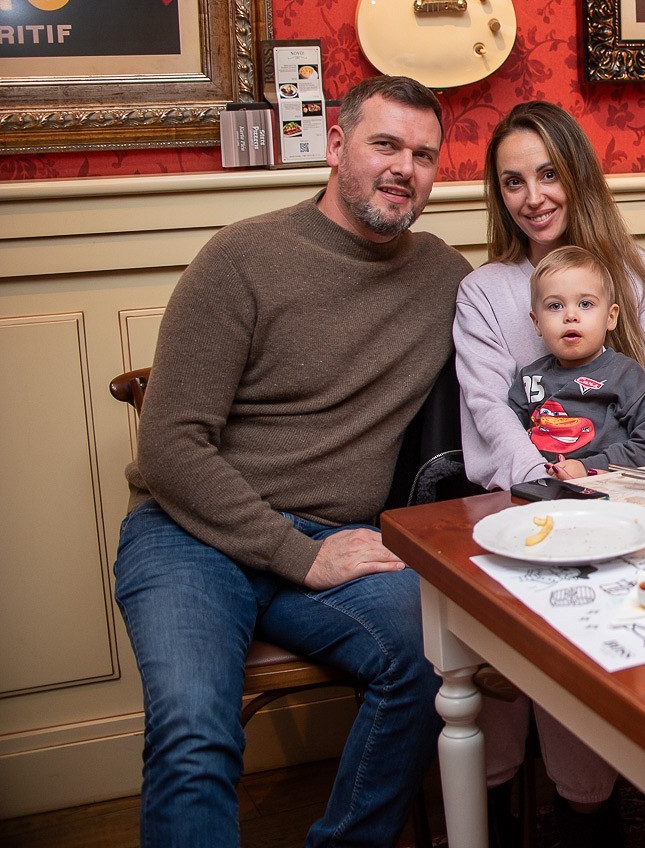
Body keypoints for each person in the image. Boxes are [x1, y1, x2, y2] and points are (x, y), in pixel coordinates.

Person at [112, 75, 472, 847]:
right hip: (190, 534)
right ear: (336, 146)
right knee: (193, 728)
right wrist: (297, 556)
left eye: (423, 155)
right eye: (385, 144)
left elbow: (536, 339)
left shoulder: (445, 277)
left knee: (432, 656)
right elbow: (170, 447)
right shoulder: (243, 257)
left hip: (335, 537)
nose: (405, 168)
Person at [453, 100, 645, 844]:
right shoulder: (485, 291)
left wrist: (608, 479)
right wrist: (554, 486)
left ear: (579, 175)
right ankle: (500, 808)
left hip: (633, 502)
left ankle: (589, 807)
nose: (532, 197)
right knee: (514, 614)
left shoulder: (635, 274)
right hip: (522, 505)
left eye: (548, 174)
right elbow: (490, 415)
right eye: (512, 181)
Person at [510, 245, 645, 479]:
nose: (570, 316)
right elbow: (509, 442)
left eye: (585, 304)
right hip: (540, 488)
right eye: (555, 306)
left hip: (607, 487)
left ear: (611, 317)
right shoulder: (528, 380)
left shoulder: (627, 377)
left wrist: (589, 467)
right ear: (537, 323)